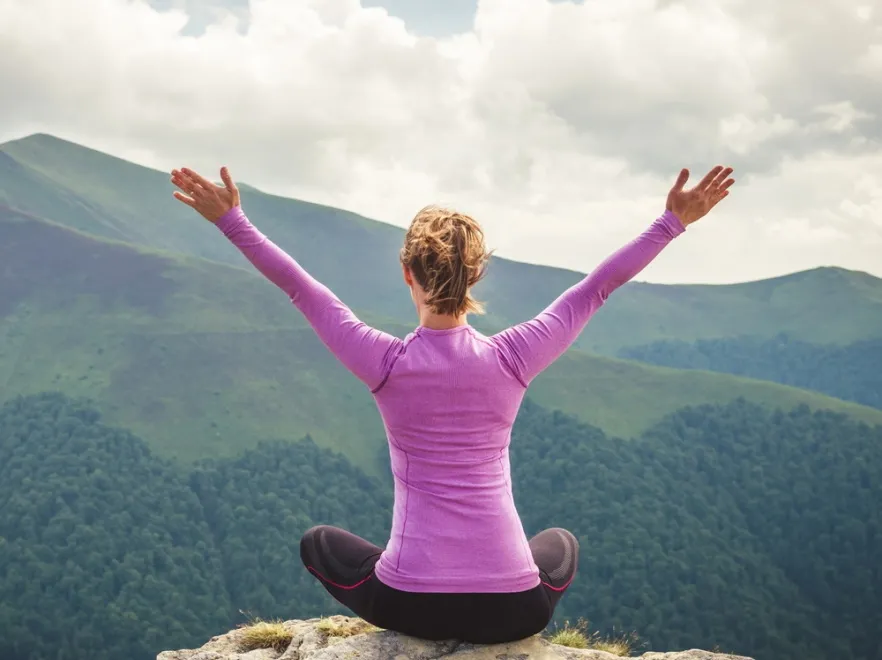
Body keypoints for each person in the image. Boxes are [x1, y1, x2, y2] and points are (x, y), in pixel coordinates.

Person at [170, 163, 735, 644]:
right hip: (515, 611)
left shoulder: (383, 361)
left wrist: (230, 219)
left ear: (406, 272)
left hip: (410, 604)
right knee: (560, 544)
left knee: (317, 542)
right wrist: (672, 222)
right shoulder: (514, 356)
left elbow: (299, 287)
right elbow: (598, 287)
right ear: (478, 273)